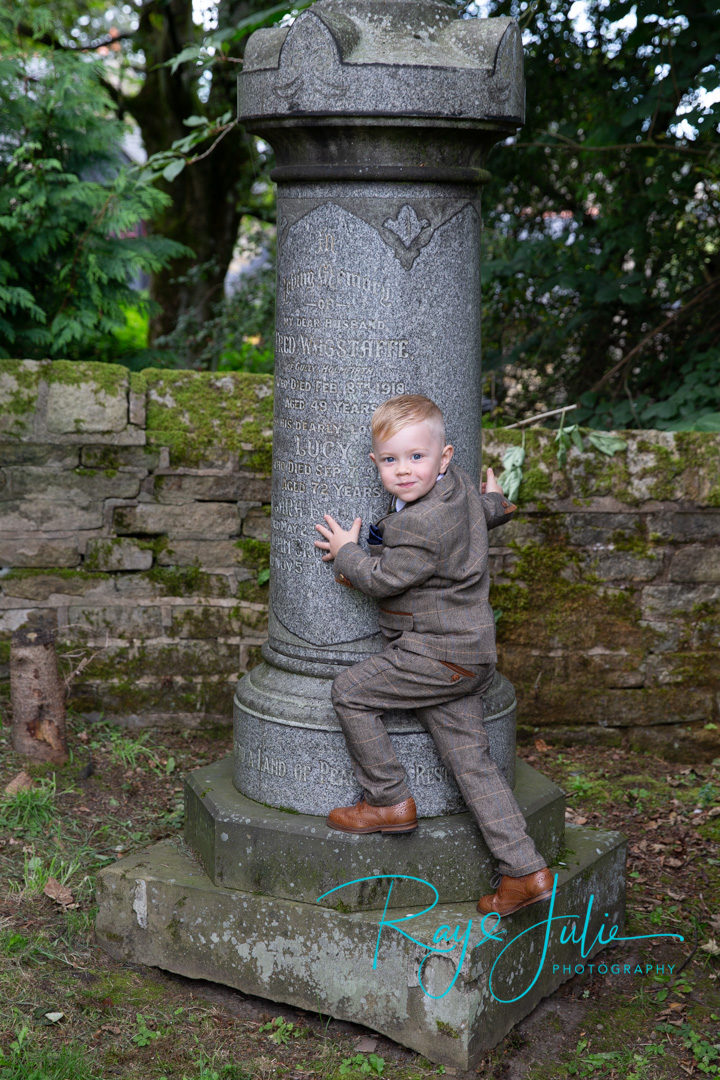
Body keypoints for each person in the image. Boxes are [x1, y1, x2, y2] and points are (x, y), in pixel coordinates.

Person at [314, 394, 553, 917]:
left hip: (436, 655)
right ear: (375, 463)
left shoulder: (419, 526)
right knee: (473, 765)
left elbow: (381, 579)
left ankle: (387, 800)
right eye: (391, 459)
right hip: (469, 658)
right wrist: (500, 503)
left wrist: (347, 551)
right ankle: (525, 870)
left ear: (443, 458)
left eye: (417, 458)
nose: (404, 471)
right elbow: (481, 513)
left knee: (350, 691)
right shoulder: (461, 489)